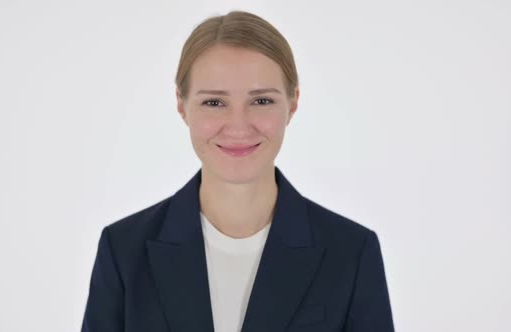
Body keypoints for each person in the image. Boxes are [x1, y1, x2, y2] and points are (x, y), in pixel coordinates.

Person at [81, 10, 395, 332]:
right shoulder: (123, 251)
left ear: (293, 102)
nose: (238, 127)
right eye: (214, 103)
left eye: (261, 101)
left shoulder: (352, 253)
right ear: (181, 105)